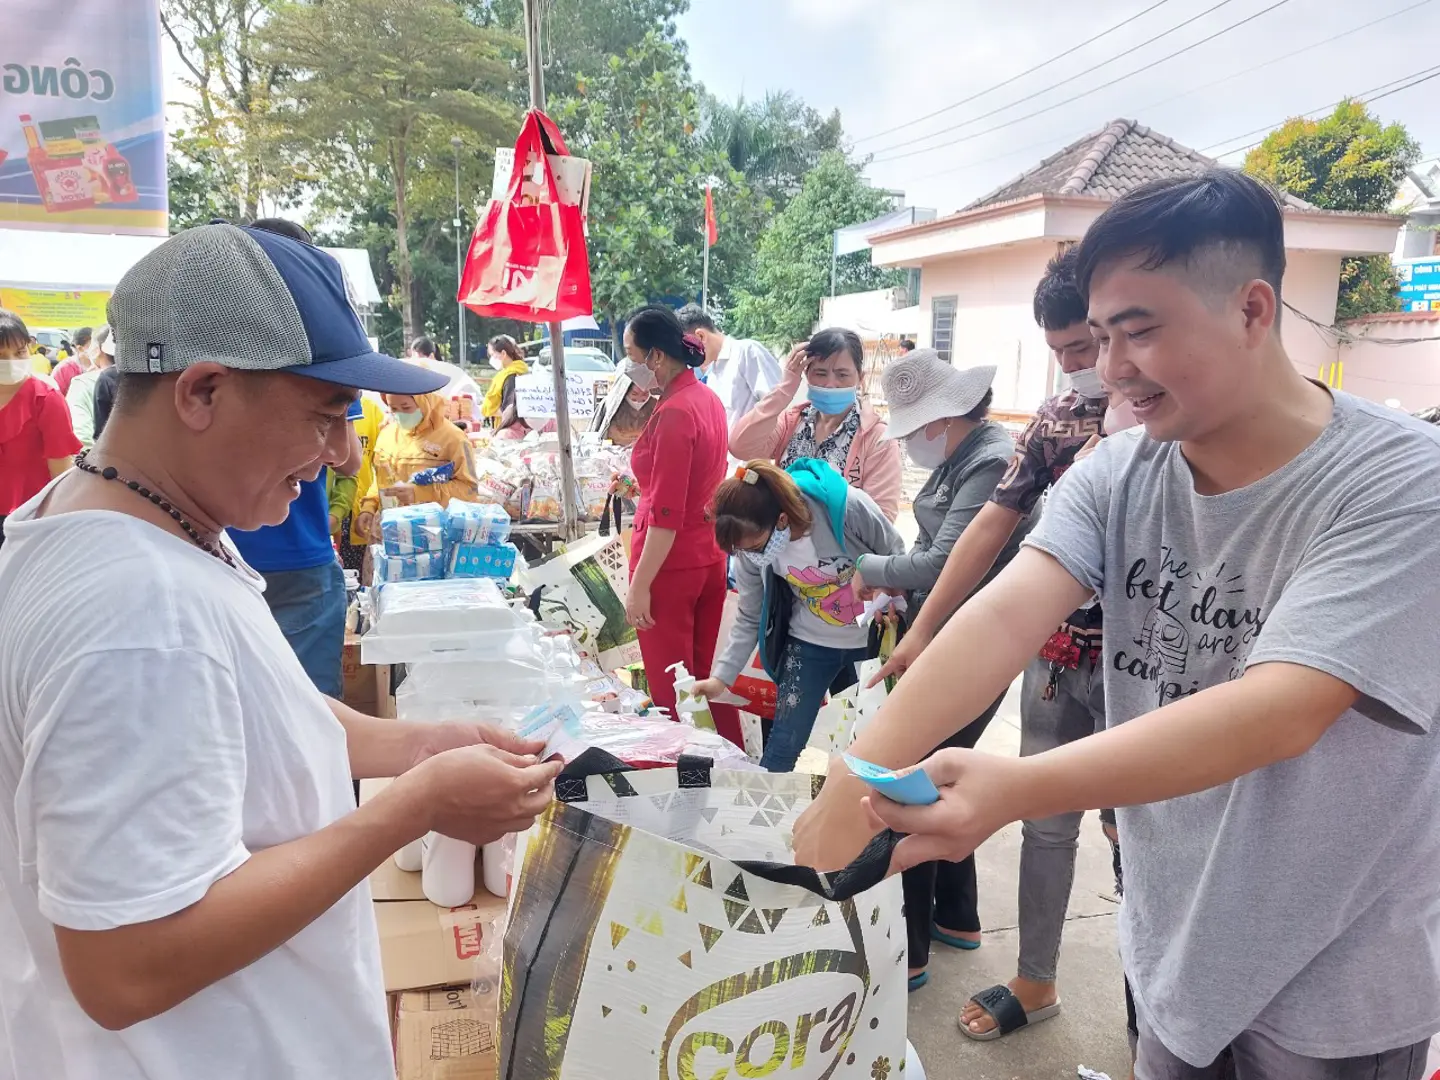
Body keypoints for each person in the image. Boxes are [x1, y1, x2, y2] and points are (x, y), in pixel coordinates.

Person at [795, 170, 1440, 1080]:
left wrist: (1010, 789)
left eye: (1139, 331)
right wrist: (848, 784)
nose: (1112, 369)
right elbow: (1004, 614)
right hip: (1170, 942)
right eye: (1099, 339)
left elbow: (1283, 709)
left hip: (1334, 982)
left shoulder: (1403, 484)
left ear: (1254, 310)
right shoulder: (1121, 470)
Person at [0, 221, 562, 1080]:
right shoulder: (137, 611)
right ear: (202, 392)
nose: (341, 455)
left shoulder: (126, 519)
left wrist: (412, 745)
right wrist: (409, 807)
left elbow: (256, 716)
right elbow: (126, 964)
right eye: (325, 415)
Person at [862, 246, 1115, 1040]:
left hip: (1145, 669)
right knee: (1046, 824)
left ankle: (1160, 1015)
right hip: (1056, 658)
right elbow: (988, 539)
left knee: (1143, 838)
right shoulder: (1057, 420)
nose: (1082, 368)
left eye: (1090, 347)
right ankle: (1036, 978)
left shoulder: (1174, 420)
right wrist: (925, 632)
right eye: (1066, 353)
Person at [841, 349, 1023, 991]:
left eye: (917, 426)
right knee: (941, 778)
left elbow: (945, 562)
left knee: (911, 783)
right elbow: (928, 552)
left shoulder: (993, 462)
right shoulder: (960, 458)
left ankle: (909, 949)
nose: (913, 441)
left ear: (943, 418)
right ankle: (958, 918)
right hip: (944, 637)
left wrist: (870, 574)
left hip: (972, 646)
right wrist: (900, 594)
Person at [226, 220, 366, 699]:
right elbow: (345, 459)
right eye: (319, 419)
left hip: (245, 552)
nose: (323, 455)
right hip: (299, 555)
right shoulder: (328, 353)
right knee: (305, 698)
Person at [695, 459, 905, 772]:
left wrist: (886, 587)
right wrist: (721, 677)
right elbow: (749, 616)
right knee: (784, 742)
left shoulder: (846, 508)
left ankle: (860, 811)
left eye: (755, 546)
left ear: (781, 520)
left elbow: (897, 555)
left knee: (870, 739)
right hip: (809, 644)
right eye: (743, 551)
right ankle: (766, 815)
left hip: (871, 640)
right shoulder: (750, 551)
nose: (752, 557)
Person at [620, 305, 743, 747]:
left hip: (669, 564)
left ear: (655, 356)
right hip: (707, 556)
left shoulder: (675, 412)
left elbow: (667, 516)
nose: (628, 365)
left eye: (631, 354)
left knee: (672, 688)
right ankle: (724, 762)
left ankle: (687, 771)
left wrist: (639, 585)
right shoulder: (705, 398)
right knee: (703, 678)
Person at [729, 327, 903, 521]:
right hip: (781, 547)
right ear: (806, 375)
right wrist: (785, 388)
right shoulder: (792, 422)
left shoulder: (877, 439)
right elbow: (740, 446)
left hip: (840, 550)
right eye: (820, 373)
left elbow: (881, 521)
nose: (830, 384)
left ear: (860, 379)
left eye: (842, 375)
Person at [0, 309, 81, 550]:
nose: (12, 363)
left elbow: (61, 474)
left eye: (19, 352)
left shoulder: (45, 399)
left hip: (28, 521)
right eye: (1, 355)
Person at [355, 391, 480, 539]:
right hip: (388, 532)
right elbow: (382, 480)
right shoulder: (387, 434)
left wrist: (419, 493)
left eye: (406, 407)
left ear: (424, 402)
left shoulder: (455, 439)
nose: (400, 414)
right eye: (393, 408)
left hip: (432, 536)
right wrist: (369, 507)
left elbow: (469, 489)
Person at [677, 304, 783, 428]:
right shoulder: (711, 376)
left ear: (701, 336)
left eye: (689, 348)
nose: (689, 357)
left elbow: (776, 404)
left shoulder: (746, 352)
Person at [67, 325, 116, 449]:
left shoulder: (82, 384)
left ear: (97, 349)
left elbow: (81, 436)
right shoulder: (146, 380)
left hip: (100, 460)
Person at [407, 335, 484, 411]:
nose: (416, 363)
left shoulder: (448, 372)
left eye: (419, 360)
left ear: (431, 356)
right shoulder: (415, 374)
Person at [482, 334, 531, 439]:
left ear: (503, 353)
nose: (491, 359)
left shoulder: (511, 376)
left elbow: (510, 409)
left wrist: (492, 410)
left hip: (510, 431)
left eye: (492, 355)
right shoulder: (518, 371)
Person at [590, 372, 656, 448]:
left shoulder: (654, 405)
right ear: (625, 392)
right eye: (634, 394)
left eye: (644, 394)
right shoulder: (612, 405)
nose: (639, 399)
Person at [50, 327, 92, 396]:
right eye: (93, 345)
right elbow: (54, 396)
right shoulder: (64, 369)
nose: (98, 347)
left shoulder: (102, 364)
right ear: (80, 348)